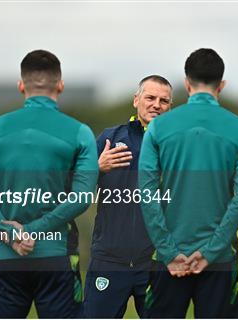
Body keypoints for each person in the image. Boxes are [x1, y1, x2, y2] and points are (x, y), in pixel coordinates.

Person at [0, 49, 98, 318]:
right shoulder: (79, 132)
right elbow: (82, 197)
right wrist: (34, 230)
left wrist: (14, 234)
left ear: (21, 86)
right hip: (56, 256)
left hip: (6, 258)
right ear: (60, 85)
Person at [138, 48, 238, 318]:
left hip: (169, 260)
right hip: (220, 260)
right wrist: (212, 250)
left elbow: (147, 194)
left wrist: (168, 251)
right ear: (222, 85)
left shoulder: (158, 128)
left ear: (186, 83)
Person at [83, 75, 173, 318]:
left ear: (170, 107)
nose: (157, 104)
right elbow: (76, 187)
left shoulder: (175, 145)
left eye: (164, 101)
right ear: (136, 100)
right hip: (109, 260)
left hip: (156, 262)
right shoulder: (110, 138)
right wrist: (96, 167)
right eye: (150, 97)